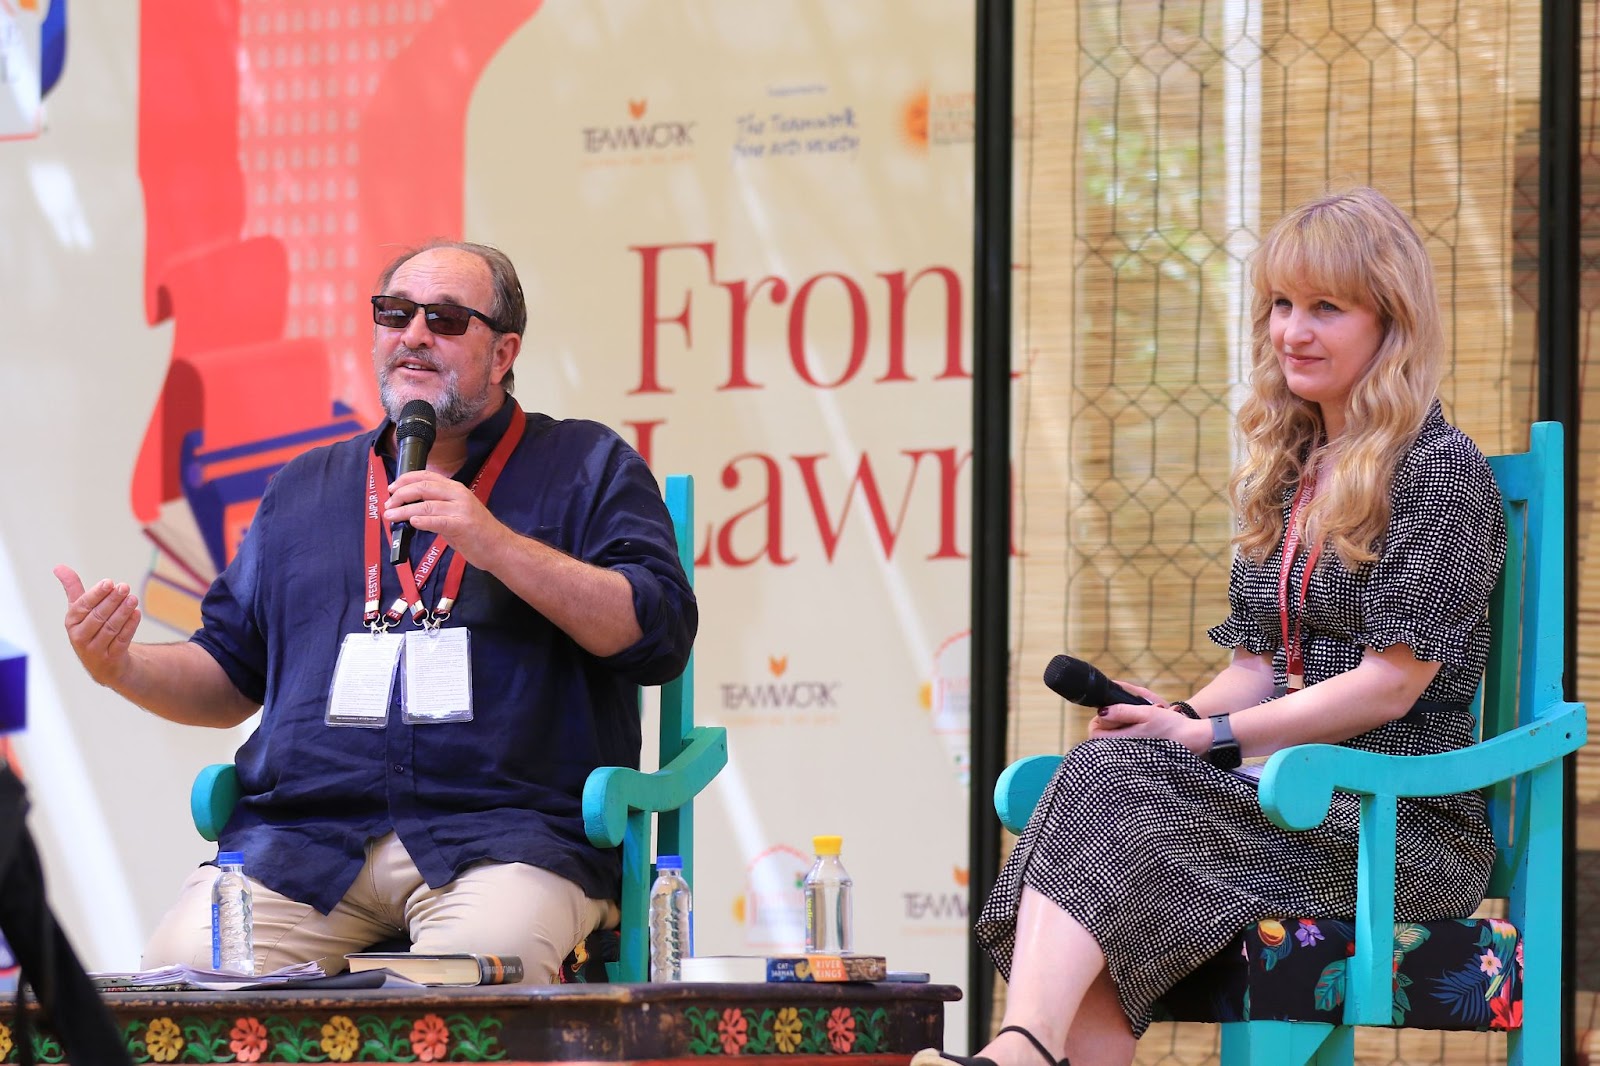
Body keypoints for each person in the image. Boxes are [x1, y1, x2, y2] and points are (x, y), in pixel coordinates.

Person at [916, 187, 1507, 1066]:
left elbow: (1392, 685)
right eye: (1280, 304)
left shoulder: (1438, 470)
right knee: (1108, 767)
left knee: (1116, 793)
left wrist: (1216, 738)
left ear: (1392, 323)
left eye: (1325, 309)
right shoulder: (1289, 465)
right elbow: (1259, 667)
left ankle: (1020, 1053)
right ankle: (1025, 1051)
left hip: (1401, 823)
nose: (1292, 332)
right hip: (1281, 796)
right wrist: (1181, 721)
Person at [55, 240, 696, 982]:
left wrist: (495, 545)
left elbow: (656, 635)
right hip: (303, 843)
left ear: (503, 352)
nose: (414, 334)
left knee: (462, 987)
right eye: (395, 313)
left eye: (448, 319)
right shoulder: (305, 487)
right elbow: (229, 674)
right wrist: (120, 667)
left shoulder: (587, 466)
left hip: (503, 837)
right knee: (181, 976)